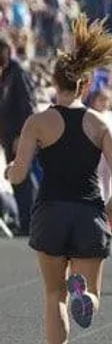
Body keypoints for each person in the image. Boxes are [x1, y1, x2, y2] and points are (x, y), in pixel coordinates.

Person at [6, 17, 112, 344]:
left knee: (51, 295)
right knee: (92, 294)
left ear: (52, 84)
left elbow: (19, 176)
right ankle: (84, 297)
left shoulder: (37, 123)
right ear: (85, 85)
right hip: (89, 211)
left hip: (51, 214)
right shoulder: (99, 123)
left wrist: (11, 167)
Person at [0, 37, 38, 236]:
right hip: (8, 137)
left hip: (20, 136)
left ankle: (32, 222)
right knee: (15, 178)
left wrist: (22, 137)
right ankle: (25, 222)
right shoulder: (5, 74)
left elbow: (28, 107)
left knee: (24, 177)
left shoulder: (17, 72)